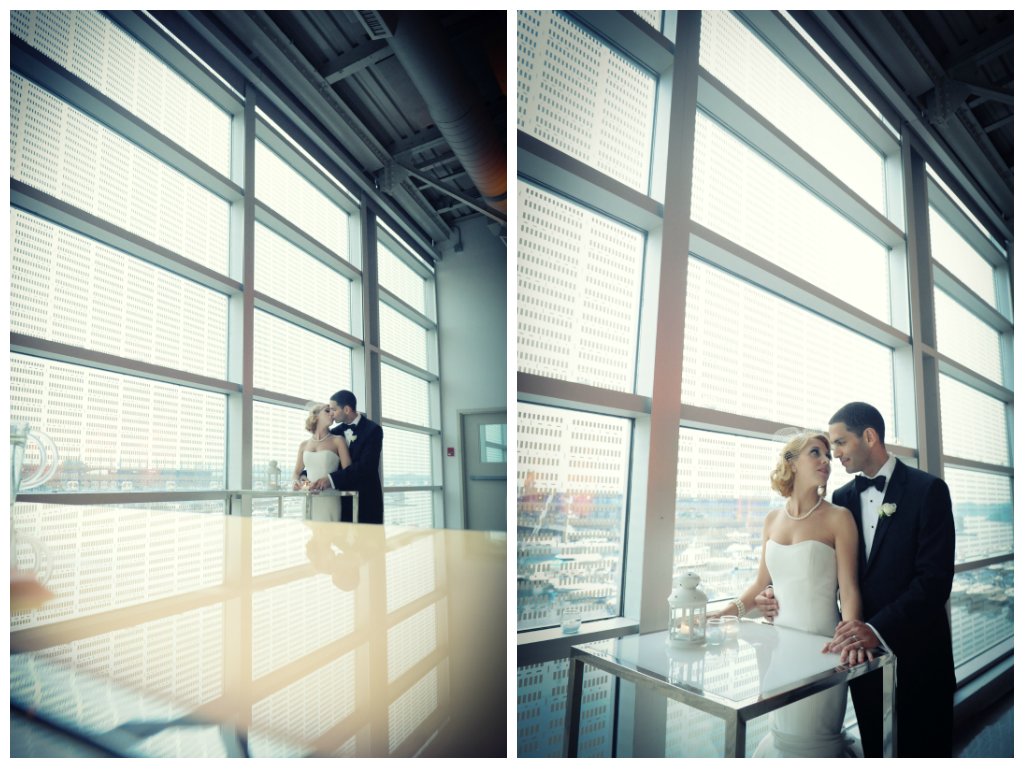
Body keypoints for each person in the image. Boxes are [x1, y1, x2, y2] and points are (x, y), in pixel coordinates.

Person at [756, 403, 955, 758]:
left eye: (841, 443)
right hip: (860, 660)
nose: (835, 455)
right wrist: (775, 590)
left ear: (869, 436)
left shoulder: (929, 490)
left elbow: (935, 582)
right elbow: (826, 573)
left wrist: (875, 630)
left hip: (919, 658)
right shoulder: (842, 499)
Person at [707, 429, 863, 758]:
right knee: (783, 736)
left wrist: (851, 638)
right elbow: (760, 586)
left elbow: (849, 589)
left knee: (812, 740)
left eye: (827, 454)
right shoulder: (771, 520)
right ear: (791, 463)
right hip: (777, 647)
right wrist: (724, 614)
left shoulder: (839, 517)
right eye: (815, 453)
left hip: (824, 647)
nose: (827, 459)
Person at [304, 390, 385, 525]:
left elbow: (366, 466)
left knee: (369, 544)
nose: (332, 414)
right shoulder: (334, 433)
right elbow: (323, 462)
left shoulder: (373, 430)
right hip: (339, 501)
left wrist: (331, 479)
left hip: (366, 500)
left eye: (334, 409)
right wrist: (303, 474)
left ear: (346, 409)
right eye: (329, 410)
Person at [292, 402, 351, 522]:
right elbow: (296, 472)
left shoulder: (338, 441)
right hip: (309, 499)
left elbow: (348, 472)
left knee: (329, 535)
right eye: (327, 411)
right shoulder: (304, 445)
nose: (332, 414)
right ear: (316, 416)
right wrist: (295, 482)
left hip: (329, 498)